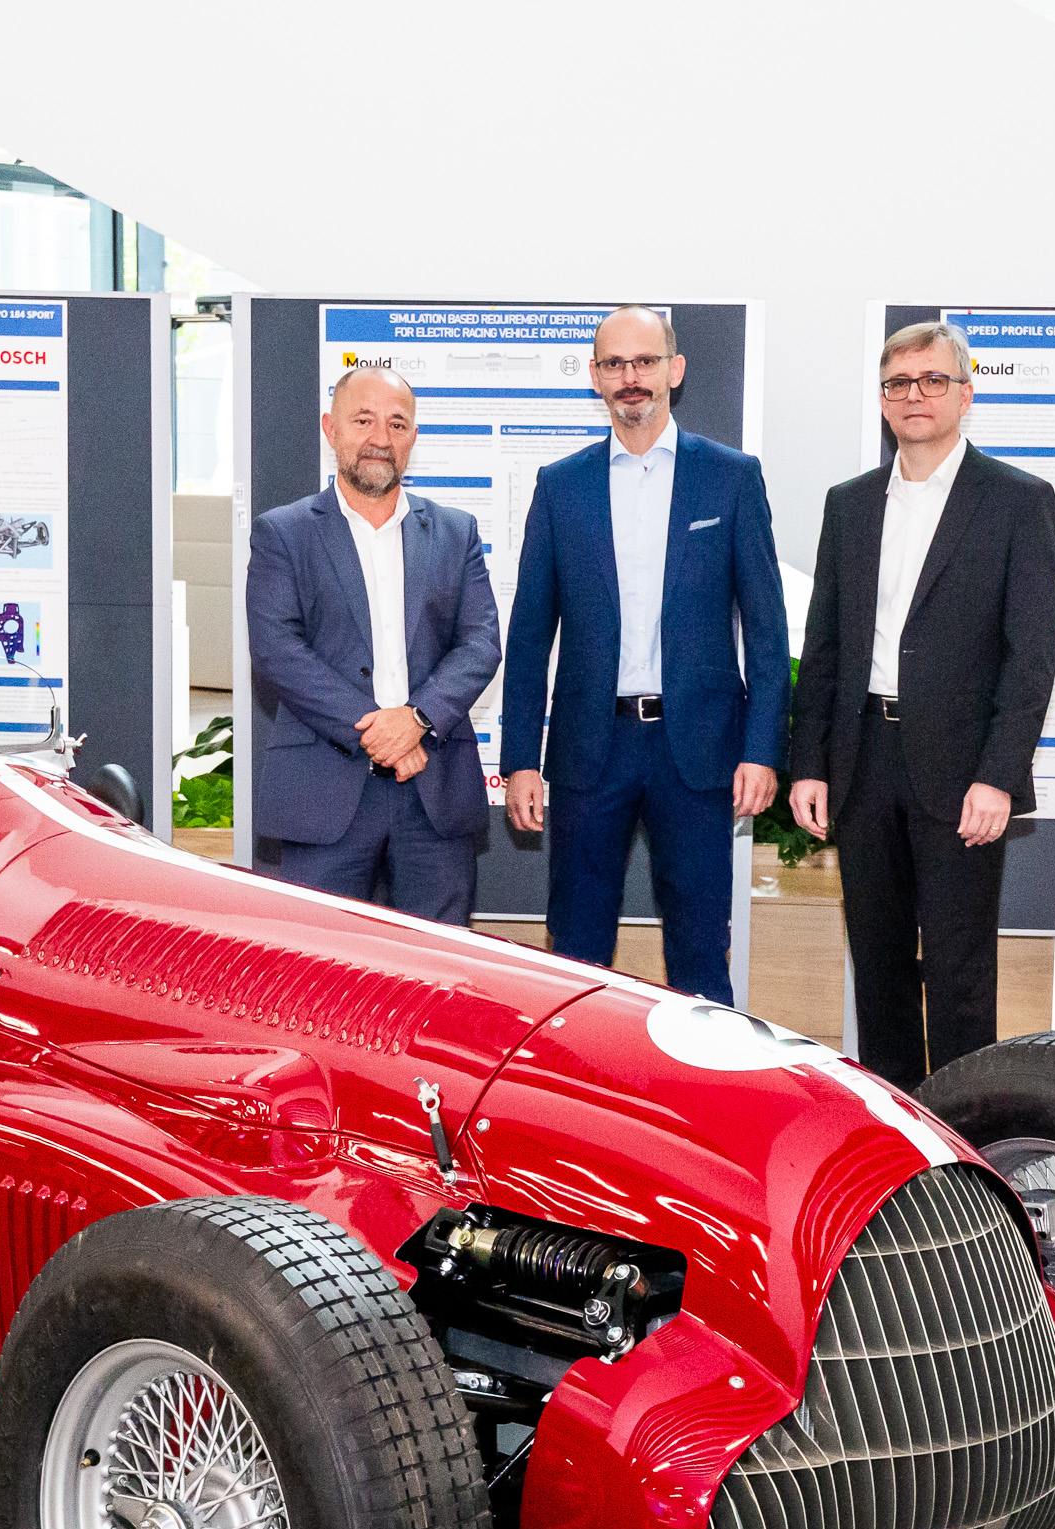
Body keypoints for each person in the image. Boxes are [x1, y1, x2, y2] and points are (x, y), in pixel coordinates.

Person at [789, 319, 1055, 1090]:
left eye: (934, 380)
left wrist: (999, 776)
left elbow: (1031, 657)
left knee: (959, 975)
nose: (916, 395)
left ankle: (967, 1136)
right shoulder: (850, 505)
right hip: (864, 763)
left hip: (963, 772)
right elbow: (826, 645)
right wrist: (809, 763)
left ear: (965, 395)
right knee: (878, 970)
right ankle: (897, 1129)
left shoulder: (1016, 501)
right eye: (900, 383)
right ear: (883, 400)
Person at [500, 306, 787, 1005]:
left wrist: (761, 751)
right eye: (615, 364)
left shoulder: (731, 478)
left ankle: (707, 1078)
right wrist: (519, 760)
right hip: (588, 752)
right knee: (576, 955)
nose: (631, 377)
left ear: (674, 370)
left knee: (700, 954)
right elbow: (530, 633)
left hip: (698, 753)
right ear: (596, 376)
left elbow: (768, 631)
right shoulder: (560, 485)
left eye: (645, 361)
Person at [243, 362, 501, 923]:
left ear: (413, 437)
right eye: (363, 420)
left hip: (434, 791)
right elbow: (277, 649)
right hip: (323, 791)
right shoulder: (283, 532)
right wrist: (382, 733)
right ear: (330, 429)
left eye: (397, 424)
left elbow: (481, 642)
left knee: (438, 964)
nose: (380, 438)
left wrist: (416, 719)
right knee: (320, 962)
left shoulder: (456, 531)